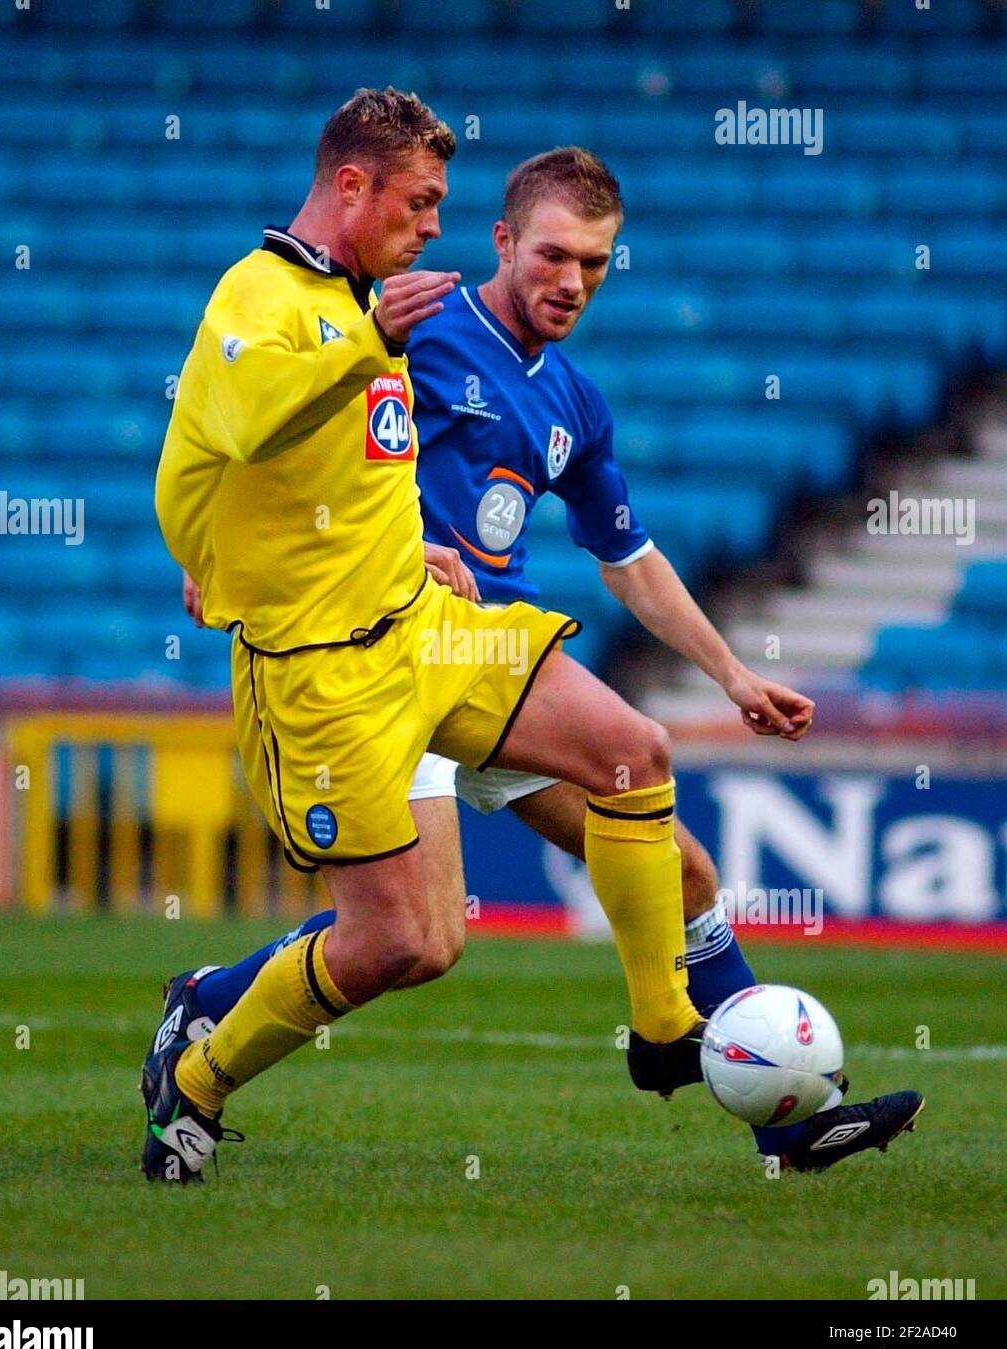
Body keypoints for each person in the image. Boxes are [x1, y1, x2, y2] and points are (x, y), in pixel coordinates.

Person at [148, 97, 919, 1181]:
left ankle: (769, 1110)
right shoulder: (411, 321)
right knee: (412, 941)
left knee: (667, 839)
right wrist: (222, 553)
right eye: (553, 254)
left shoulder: (570, 399)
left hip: (469, 656)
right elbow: (276, 438)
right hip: (362, 661)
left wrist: (733, 671)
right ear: (503, 243)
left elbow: (631, 558)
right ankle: (208, 1018)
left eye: (595, 265)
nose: (571, 281)